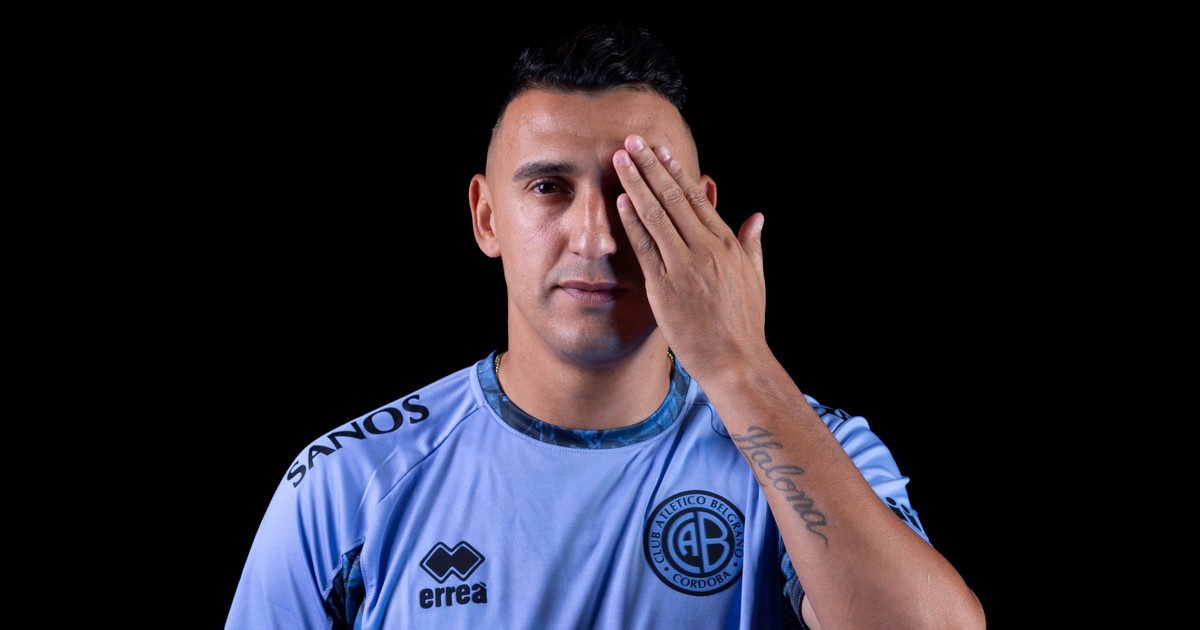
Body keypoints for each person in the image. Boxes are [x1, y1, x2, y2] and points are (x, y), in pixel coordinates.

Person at [226, 24, 985, 629]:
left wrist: (740, 365)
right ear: (486, 217)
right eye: (549, 187)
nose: (595, 237)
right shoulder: (348, 485)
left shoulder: (814, 451)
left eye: (634, 189)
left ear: (700, 215)